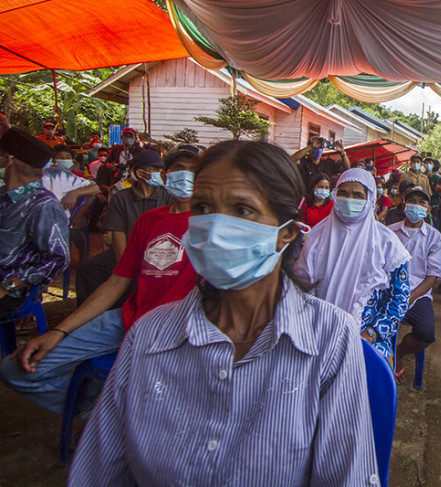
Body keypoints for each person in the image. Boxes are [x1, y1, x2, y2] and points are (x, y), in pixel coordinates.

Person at [67, 141, 378, 485]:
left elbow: (346, 475)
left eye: (243, 210)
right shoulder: (150, 334)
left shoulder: (330, 338)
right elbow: (99, 471)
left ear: (286, 234)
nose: (215, 228)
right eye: (202, 208)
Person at [1, 148, 201, 415]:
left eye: (194, 171)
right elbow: (116, 282)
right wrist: (59, 330)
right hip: (127, 319)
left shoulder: (212, 225)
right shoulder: (149, 220)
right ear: (164, 176)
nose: (185, 176)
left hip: (176, 332)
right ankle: (109, 414)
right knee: (16, 370)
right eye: (178, 169)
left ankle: (125, 416)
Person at [295, 168, 411, 360]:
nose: (349, 200)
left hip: (365, 337)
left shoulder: (387, 243)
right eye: (342, 193)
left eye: (357, 195)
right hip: (315, 330)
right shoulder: (316, 236)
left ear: (370, 200)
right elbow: (300, 287)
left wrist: (370, 335)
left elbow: (399, 298)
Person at [75, 150, 172, 306]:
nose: (158, 174)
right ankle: (94, 316)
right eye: (153, 170)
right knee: (88, 269)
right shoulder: (122, 198)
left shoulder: (167, 196)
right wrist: (125, 266)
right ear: (140, 173)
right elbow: (118, 234)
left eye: (160, 170)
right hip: (129, 251)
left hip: (160, 253)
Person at [0, 128, 68, 315]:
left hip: (10, 292)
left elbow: (58, 259)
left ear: (9, 160)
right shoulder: (4, 196)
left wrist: (8, 286)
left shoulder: (43, 205)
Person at [389, 185, 441, 383]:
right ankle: (380, 359)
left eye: (422, 202)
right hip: (388, 292)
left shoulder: (434, 237)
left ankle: (398, 352)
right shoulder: (389, 232)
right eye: (412, 201)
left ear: (428, 210)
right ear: (404, 205)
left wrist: (412, 295)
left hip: (418, 295)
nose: (416, 206)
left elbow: (433, 275)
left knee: (425, 334)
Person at [42, 144, 99, 213]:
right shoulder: (44, 176)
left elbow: (95, 188)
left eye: (67, 157)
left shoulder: (74, 177)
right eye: (60, 158)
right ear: (53, 160)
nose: (64, 160)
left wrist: (74, 194)